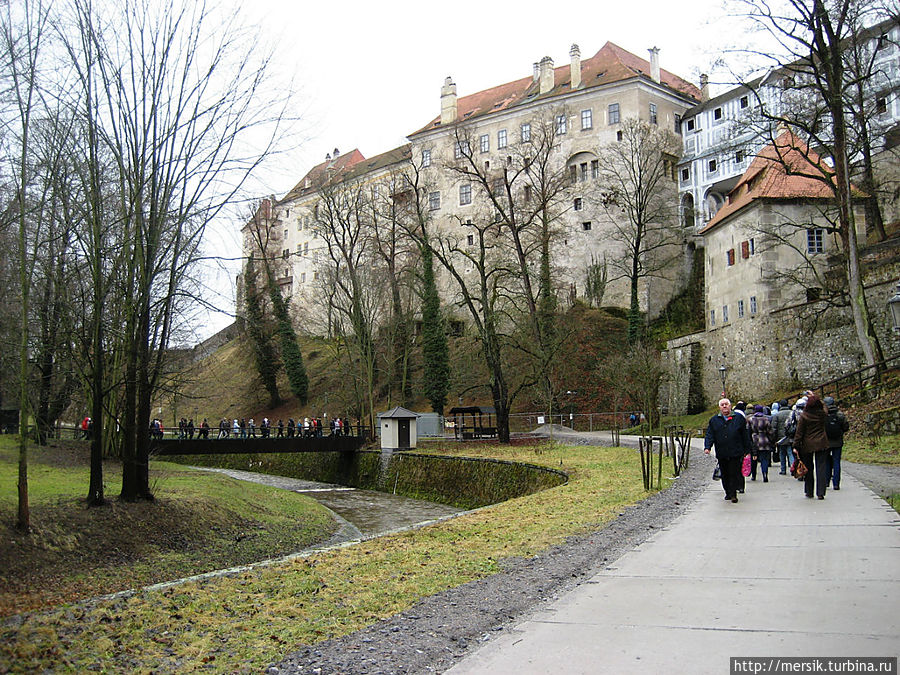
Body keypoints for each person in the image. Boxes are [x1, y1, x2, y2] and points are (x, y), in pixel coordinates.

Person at [704, 398, 750, 503]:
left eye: (726, 404)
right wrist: (708, 447)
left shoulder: (738, 418)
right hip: (722, 452)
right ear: (720, 407)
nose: (724, 406)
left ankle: (733, 493)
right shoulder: (714, 420)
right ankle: (728, 492)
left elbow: (745, 434)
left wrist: (747, 449)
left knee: (734, 472)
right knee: (724, 473)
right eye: (722, 405)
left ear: (730, 406)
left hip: (736, 451)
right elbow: (710, 434)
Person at [793, 392, 830, 499]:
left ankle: (809, 490)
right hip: (821, 442)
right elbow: (825, 407)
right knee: (821, 467)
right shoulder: (822, 414)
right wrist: (817, 398)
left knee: (808, 468)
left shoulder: (804, 416)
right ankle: (821, 492)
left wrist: (795, 445)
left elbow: (799, 432)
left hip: (807, 444)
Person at [824, 396, 849, 490]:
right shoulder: (840, 414)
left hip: (826, 442)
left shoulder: (823, 415)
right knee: (836, 462)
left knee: (826, 461)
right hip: (838, 441)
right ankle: (836, 483)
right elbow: (846, 427)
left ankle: (826, 482)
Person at [748, 404, 774, 482]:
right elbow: (770, 432)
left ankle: (753, 475)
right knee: (764, 459)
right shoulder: (766, 419)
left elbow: (748, 431)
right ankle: (765, 474)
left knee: (753, 459)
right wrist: (771, 441)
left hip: (754, 440)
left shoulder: (750, 420)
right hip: (764, 440)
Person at [771, 399, 792, 474]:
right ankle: (792, 467)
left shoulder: (777, 415)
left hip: (780, 437)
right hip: (790, 436)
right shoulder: (791, 413)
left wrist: (773, 439)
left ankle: (783, 469)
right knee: (790, 452)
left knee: (782, 453)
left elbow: (774, 428)